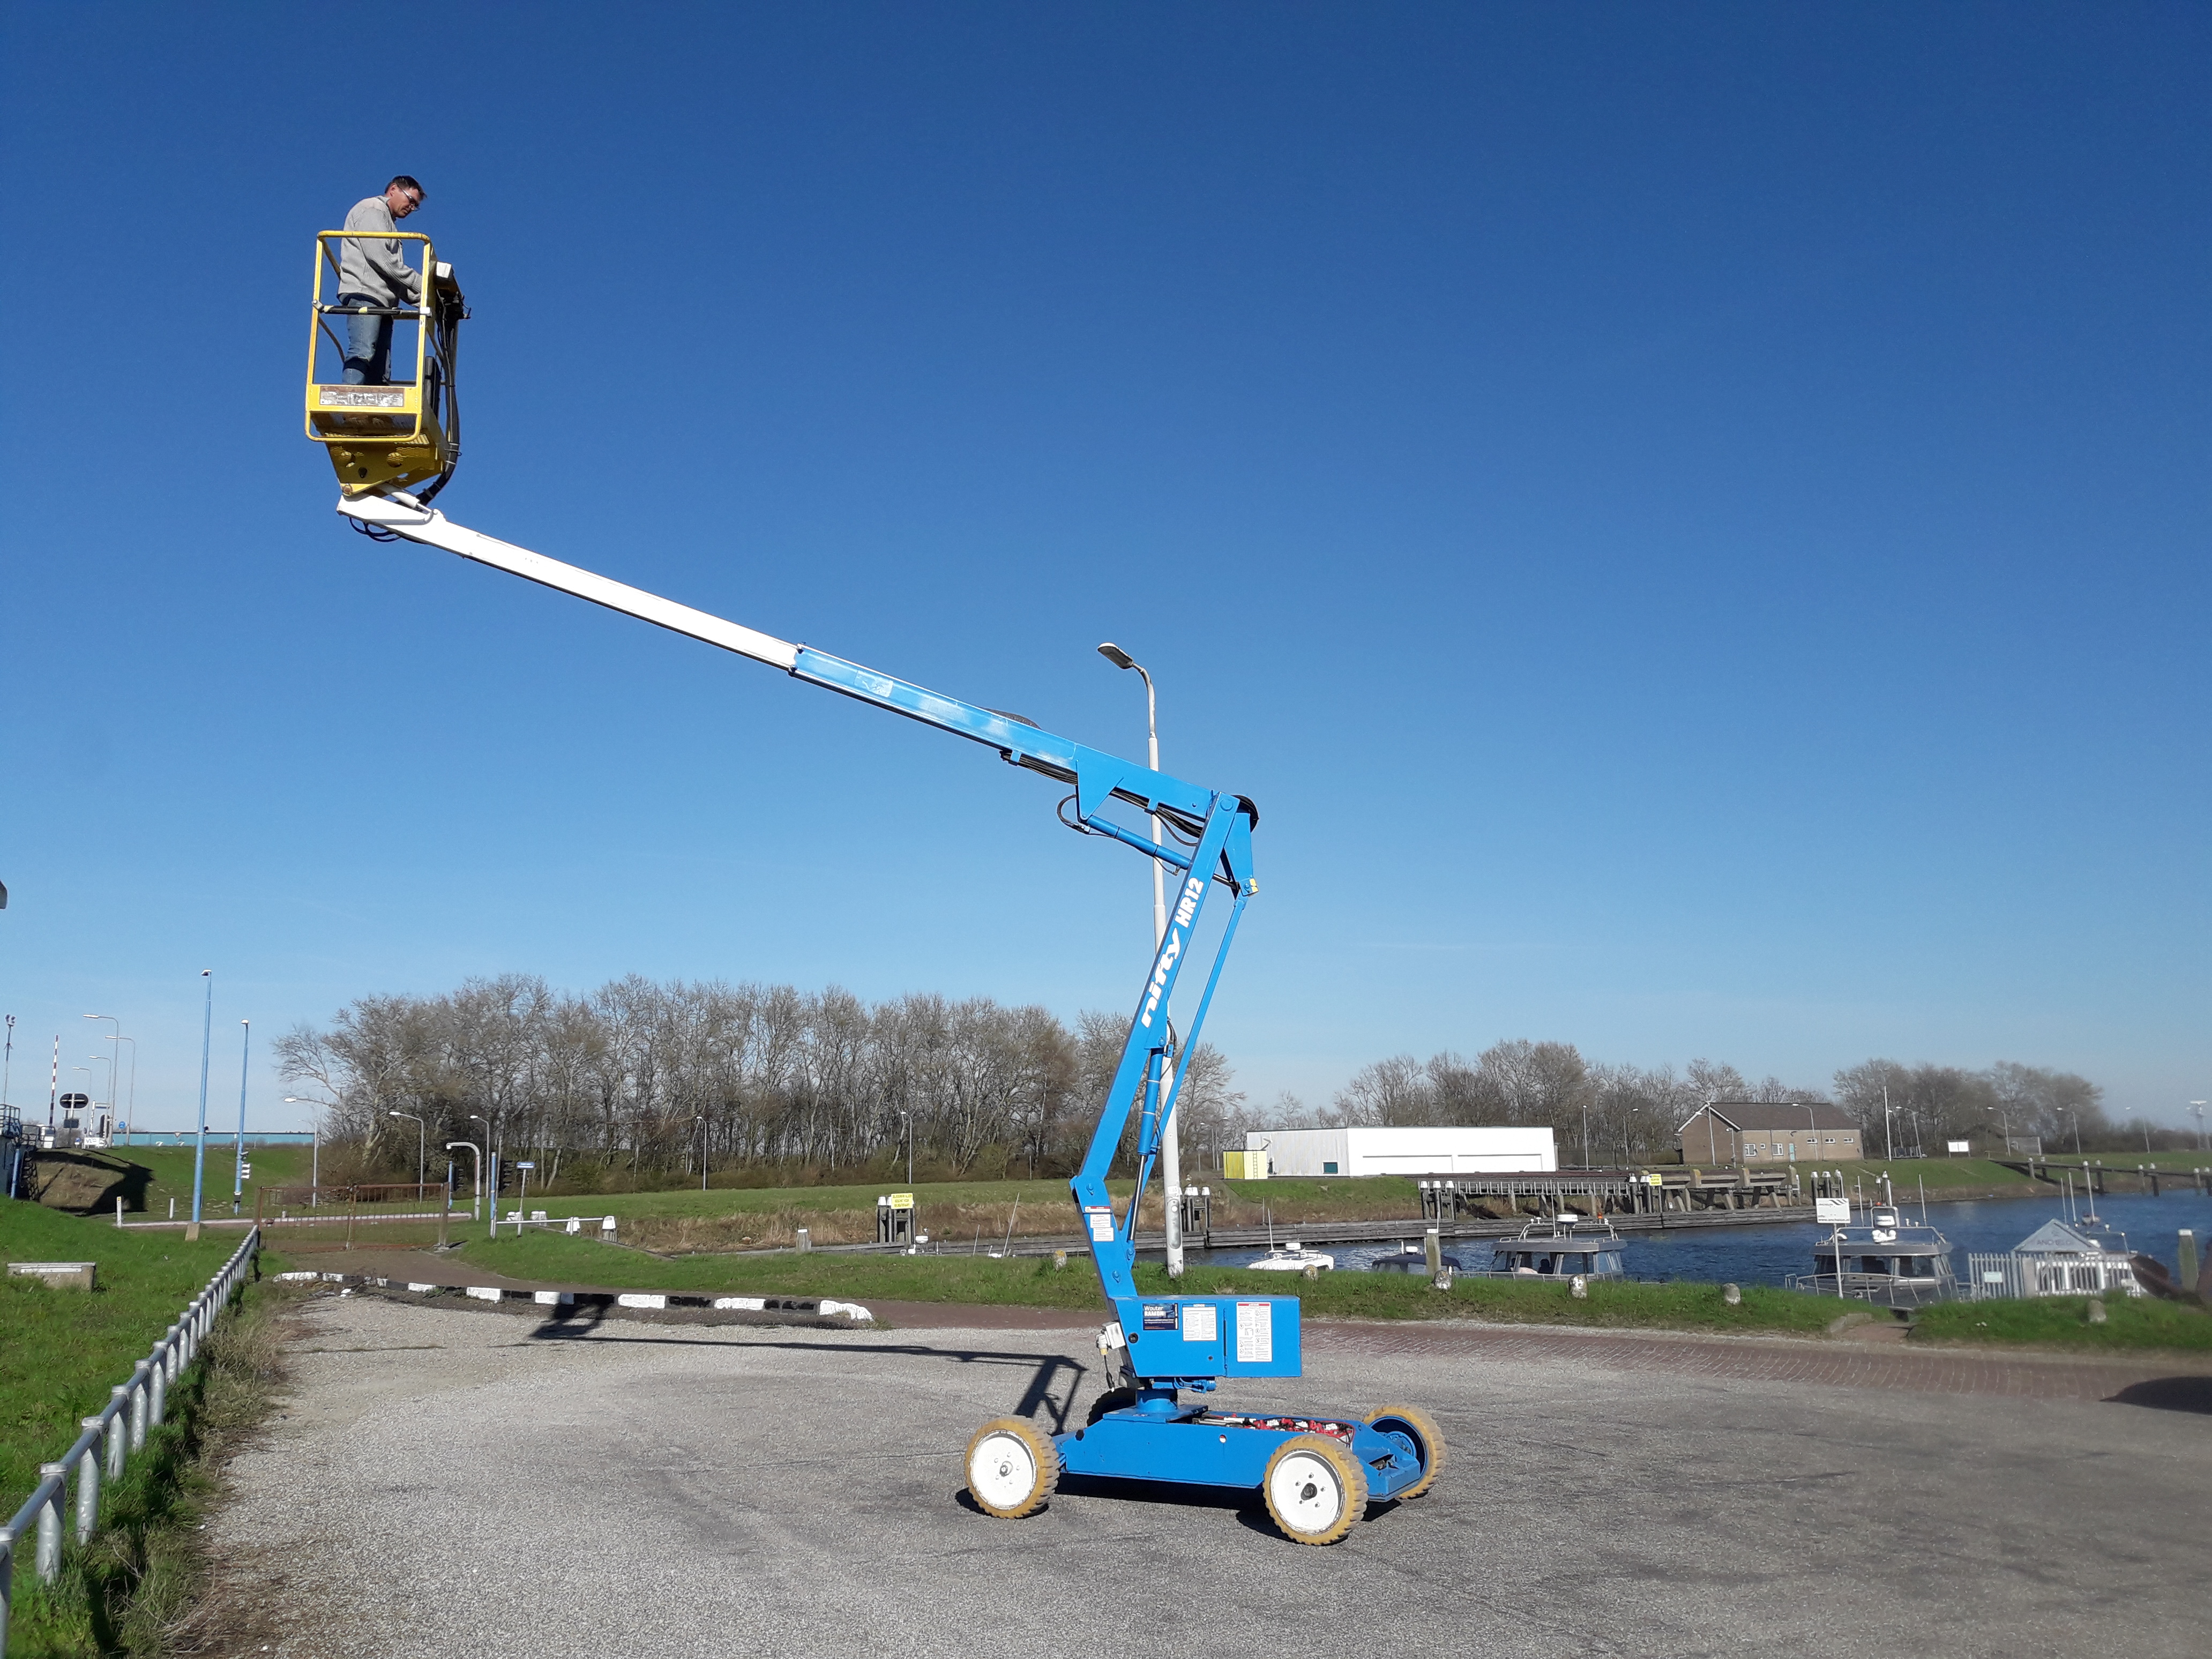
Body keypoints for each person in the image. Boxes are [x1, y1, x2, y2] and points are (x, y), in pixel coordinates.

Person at [336, 176, 425, 384]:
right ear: (393, 189)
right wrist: (423, 285)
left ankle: (373, 414)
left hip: (383, 301)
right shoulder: (373, 209)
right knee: (363, 350)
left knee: (381, 370)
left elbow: (392, 275)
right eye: (410, 201)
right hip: (365, 293)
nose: (412, 208)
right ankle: (349, 400)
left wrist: (428, 297)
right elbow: (382, 259)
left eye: (416, 206)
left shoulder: (389, 223)